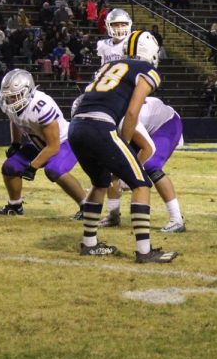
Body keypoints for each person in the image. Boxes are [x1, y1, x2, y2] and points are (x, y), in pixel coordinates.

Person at [69, 30, 178, 262]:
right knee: (141, 184)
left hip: (76, 126)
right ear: (151, 52)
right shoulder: (148, 71)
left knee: (100, 182)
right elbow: (132, 111)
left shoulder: (109, 66)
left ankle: (89, 243)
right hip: (101, 127)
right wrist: (125, 145)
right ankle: (144, 250)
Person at [0, 69, 87, 218]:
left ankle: (87, 206)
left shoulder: (41, 106)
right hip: (40, 143)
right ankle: (15, 205)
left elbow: (53, 146)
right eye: (8, 97)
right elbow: (15, 120)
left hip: (65, 141)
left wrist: (33, 166)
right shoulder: (13, 105)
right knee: (10, 166)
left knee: (54, 169)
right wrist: (15, 144)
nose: (11, 101)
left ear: (27, 91)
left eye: (15, 96)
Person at [99, 96, 186, 232]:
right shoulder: (106, 116)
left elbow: (148, 149)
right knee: (113, 163)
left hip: (166, 125)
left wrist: (131, 174)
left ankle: (177, 220)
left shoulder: (124, 117)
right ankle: (113, 215)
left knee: (152, 166)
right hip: (140, 126)